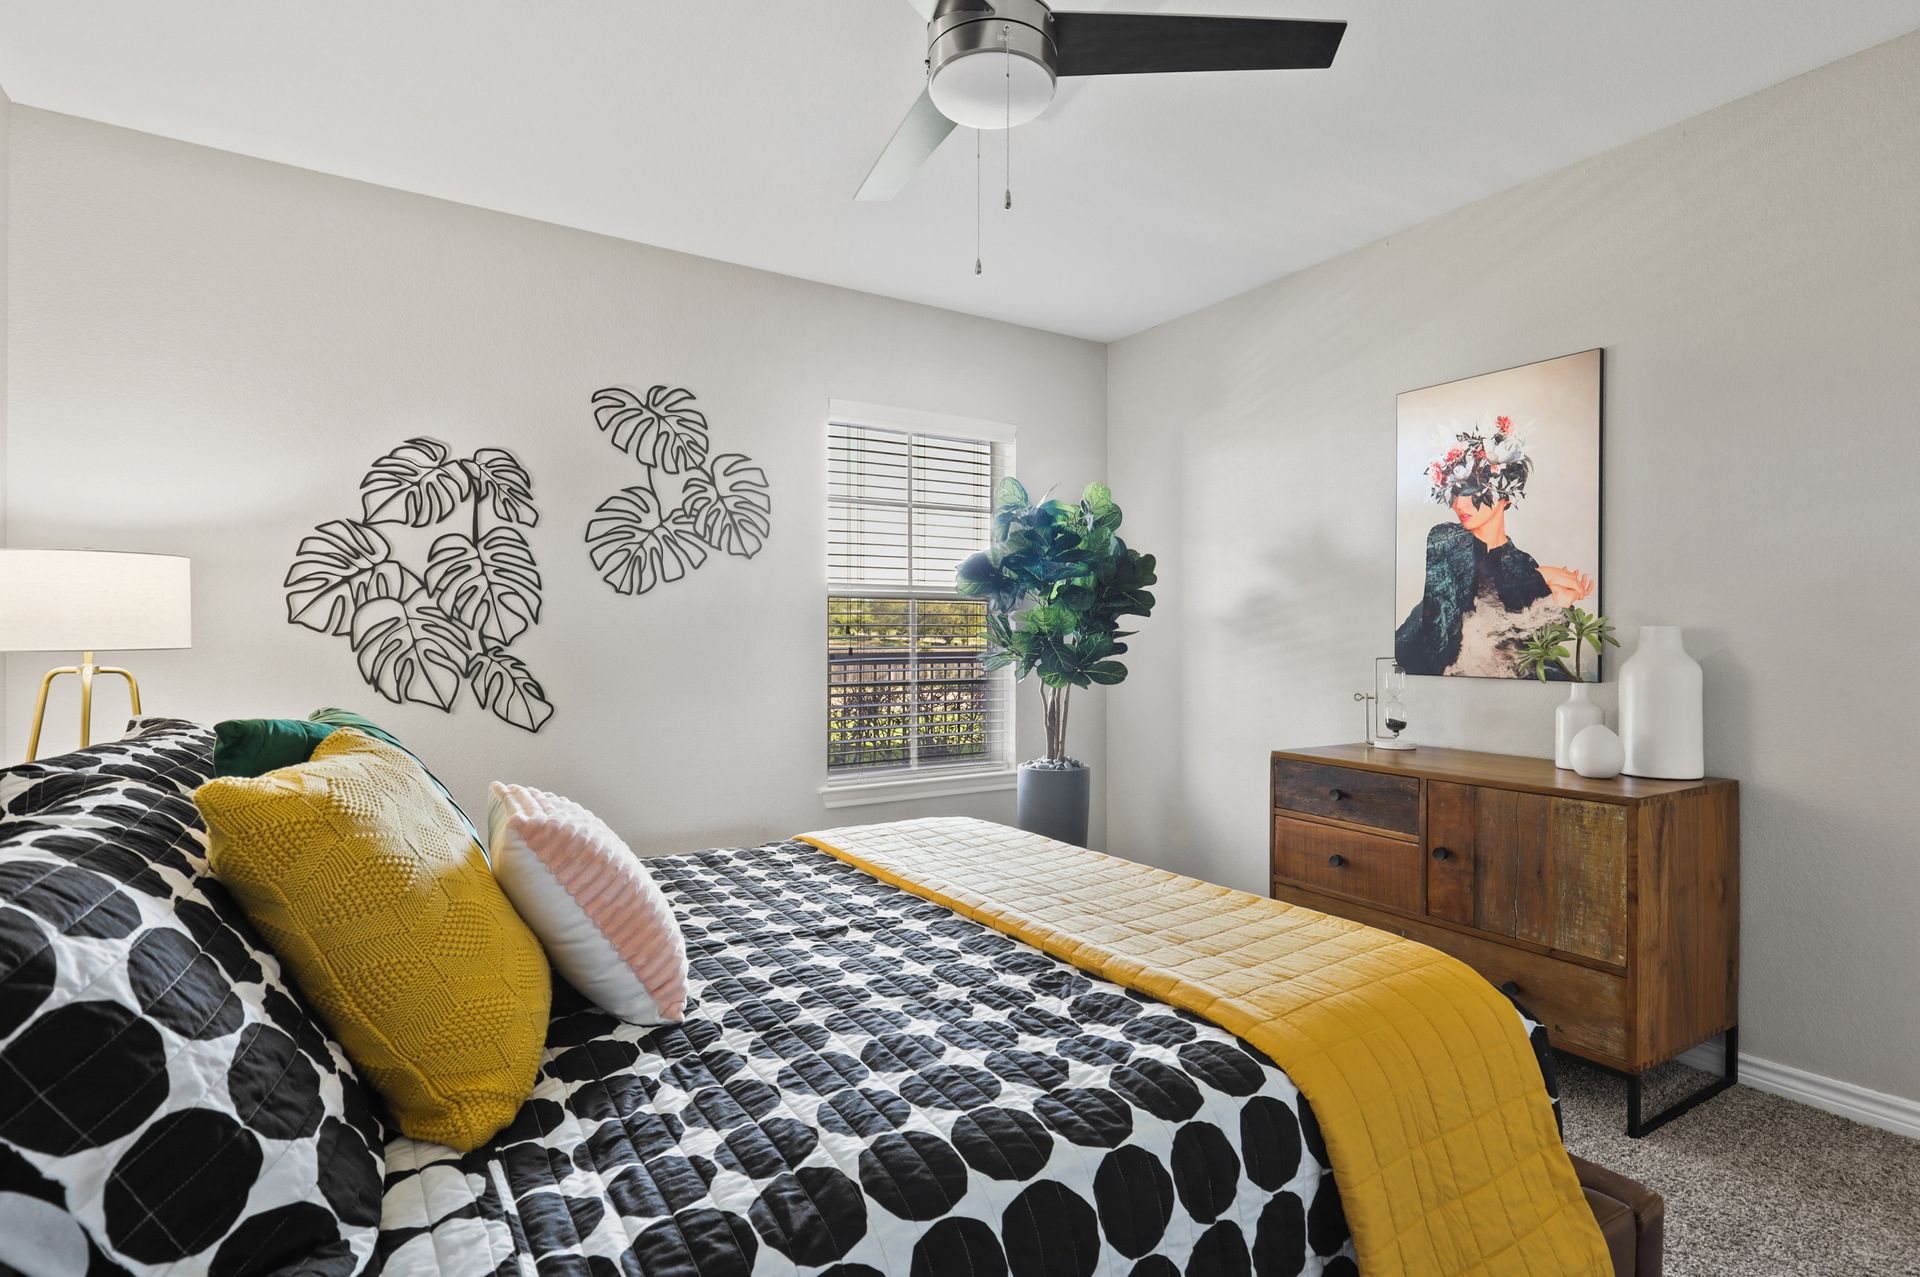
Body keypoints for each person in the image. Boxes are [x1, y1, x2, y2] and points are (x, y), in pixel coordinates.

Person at [1395, 416, 1593, 677]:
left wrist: (1559, 605)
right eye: (1454, 492)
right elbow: (1442, 640)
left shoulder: (1523, 565)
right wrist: (1544, 576)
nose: (1459, 504)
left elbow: (1520, 657)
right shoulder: (1445, 540)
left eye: (1472, 492)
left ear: (1505, 495)